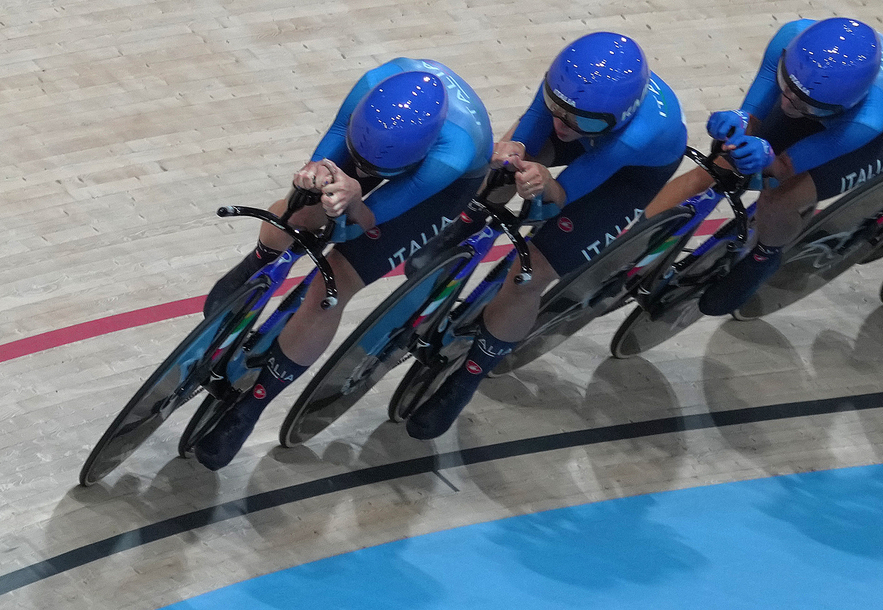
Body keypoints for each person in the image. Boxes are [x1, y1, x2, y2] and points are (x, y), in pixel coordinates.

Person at [192, 59, 493, 470]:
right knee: (299, 212)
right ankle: (260, 260)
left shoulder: (451, 157)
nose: (368, 173)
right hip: (375, 142)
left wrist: (353, 202)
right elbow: (328, 151)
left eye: (377, 170)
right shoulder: (372, 85)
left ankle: (255, 402)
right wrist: (315, 178)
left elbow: (371, 220)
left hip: (438, 187)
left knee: (332, 284)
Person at [405, 32, 687, 439]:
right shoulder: (569, 88)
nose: (563, 124)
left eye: (579, 119)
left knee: (528, 274)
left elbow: (562, 196)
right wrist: (513, 152)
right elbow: (537, 129)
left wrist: (545, 185)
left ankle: (466, 379)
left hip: (623, 175)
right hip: (597, 129)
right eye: (557, 107)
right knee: (503, 164)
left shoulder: (635, 135)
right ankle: (467, 222)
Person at [644, 16, 883, 317]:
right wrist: (740, 122)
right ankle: (630, 244)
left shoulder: (865, 121)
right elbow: (752, 116)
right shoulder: (791, 38)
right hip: (824, 97)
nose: (787, 105)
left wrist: (767, 158)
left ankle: (766, 254)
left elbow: (781, 170)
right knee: (716, 167)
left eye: (803, 102)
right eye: (786, 87)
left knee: (780, 198)